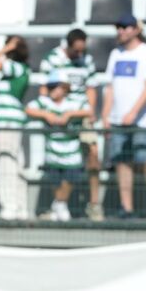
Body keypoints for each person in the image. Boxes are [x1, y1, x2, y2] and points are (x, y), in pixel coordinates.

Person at [101, 13, 146, 221]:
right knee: (122, 163)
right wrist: (106, 115)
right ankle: (126, 208)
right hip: (118, 121)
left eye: (126, 27)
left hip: (140, 121)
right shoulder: (115, 54)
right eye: (119, 27)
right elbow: (109, 88)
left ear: (136, 30)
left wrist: (133, 112)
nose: (121, 31)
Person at [40, 28, 103, 221]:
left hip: (81, 114)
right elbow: (44, 88)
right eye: (76, 51)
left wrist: (90, 111)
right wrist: (49, 111)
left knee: (92, 155)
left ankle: (94, 204)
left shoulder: (87, 60)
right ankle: (59, 204)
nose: (79, 55)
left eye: (82, 50)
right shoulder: (52, 59)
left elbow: (91, 88)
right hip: (59, 116)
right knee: (58, 160)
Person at [25, 70, 92, 222]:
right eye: (50, 87)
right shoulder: (44, 102)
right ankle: (60, 206)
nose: (52, 90)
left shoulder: (74, 102)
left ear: (65, 88)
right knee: (55, 180)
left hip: (72, 151)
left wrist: (69, 115)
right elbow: (29, 109)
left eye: (55, 86)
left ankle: (60, 204)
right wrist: (46, 115)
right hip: (52, 150)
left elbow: (89, 111)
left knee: (70, 178)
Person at [0, 35, 30, 220]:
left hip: (7, 122)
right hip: (12, 122)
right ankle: (20, 206)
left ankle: (10, 207)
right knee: (14, 163)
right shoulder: (21, 69)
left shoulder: (15, 67)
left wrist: (6, 48)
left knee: (6, 163)